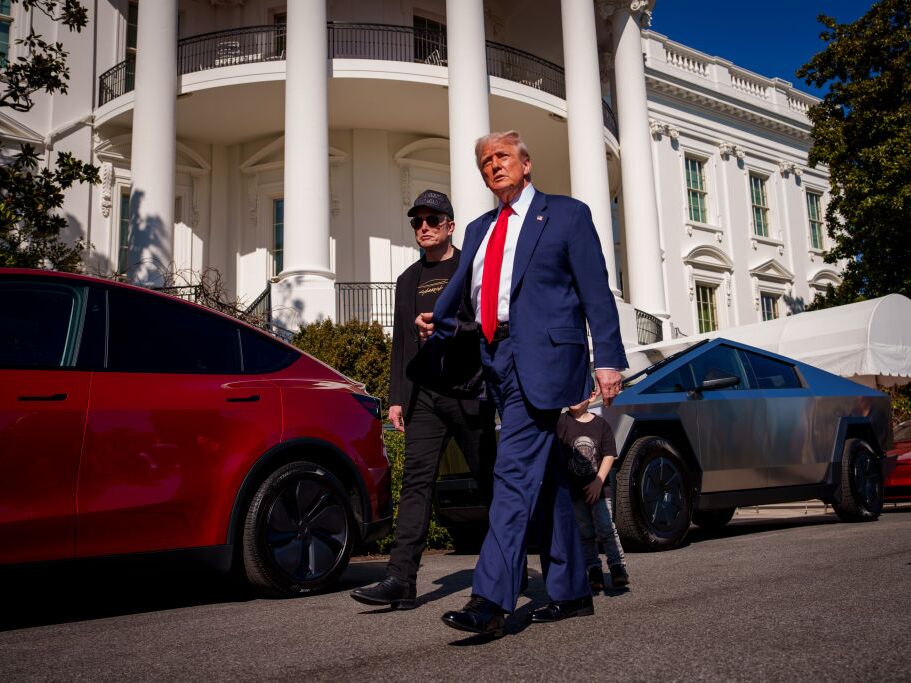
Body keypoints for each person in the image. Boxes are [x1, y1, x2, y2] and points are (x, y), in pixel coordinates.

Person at [417, 130, 628, 636]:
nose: (494, 166)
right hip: (498, 360)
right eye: (485, 161)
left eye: (503, 157)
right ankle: (573, 590)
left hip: (548, 359)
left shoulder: (567, 214)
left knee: (511, 475)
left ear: (526, 164)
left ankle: (490, 599)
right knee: (549, 474)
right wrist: (440, 323)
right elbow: (475, 298)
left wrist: (609, 360)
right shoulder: (480, 227)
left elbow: (595, 291)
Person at [350, 189, 496, 610]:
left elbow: (487, 324)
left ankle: (508, 562)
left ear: (450, 224)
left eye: (433, 219)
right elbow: (402, 344)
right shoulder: (407, 280)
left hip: (469, 391)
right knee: (415, 484)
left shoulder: (471, 267)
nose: (424, 227)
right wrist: (398, 397)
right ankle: (400, 579)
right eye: (417, 221)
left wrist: (449, 328)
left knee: (491, 481)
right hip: (426, 397)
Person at [557, 389, 629, 592]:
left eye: (578, 393)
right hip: (574, 490)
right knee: (585, 532)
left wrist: (598, 481)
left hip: (598, 488)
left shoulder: (600, 425)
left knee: (606, 528)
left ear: (590, 396)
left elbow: (608, 455)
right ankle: (593, 569)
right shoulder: (562, 422)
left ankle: (617, 567)